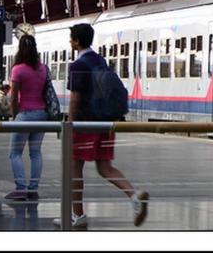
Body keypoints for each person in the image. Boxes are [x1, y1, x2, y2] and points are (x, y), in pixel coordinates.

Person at [53, 23, 148, 230]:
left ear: (77, 41)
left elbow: (76, 99)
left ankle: (77, 215)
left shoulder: (77, 66)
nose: (69, 42)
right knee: (105, 167)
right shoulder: (99, 60)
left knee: (74, 168)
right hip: (105, 121)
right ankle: (134, 196)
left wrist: (70, 124)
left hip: (85, 124)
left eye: (71, 38)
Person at [5, 35, 47, 201]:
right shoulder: (43, 68)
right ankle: (33, 189)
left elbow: (14, 97)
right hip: (42, 115)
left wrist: (14, 115)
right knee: (35, 153)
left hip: (25, 114)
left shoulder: (18, 69)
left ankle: (21, 188)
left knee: (15, 153)